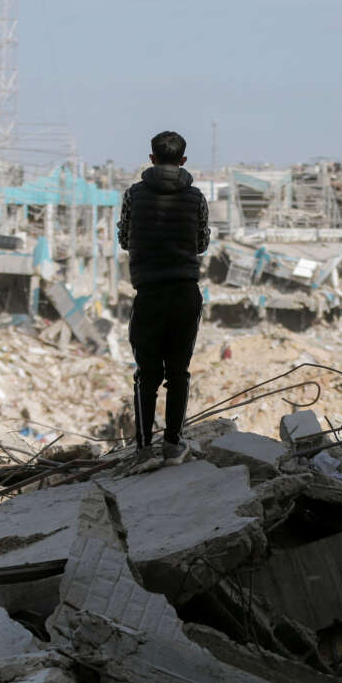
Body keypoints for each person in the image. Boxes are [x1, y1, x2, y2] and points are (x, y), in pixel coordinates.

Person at [118, 131, 209, 471]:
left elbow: (125, 237)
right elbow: (201, 243)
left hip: (150, 292)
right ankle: (172, 445)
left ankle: (143, 450)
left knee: (146, 373)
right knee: (179, 372)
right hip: (185, 292)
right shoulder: (197, 197)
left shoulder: (134, 195)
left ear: (152, 158)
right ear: (183, 161)